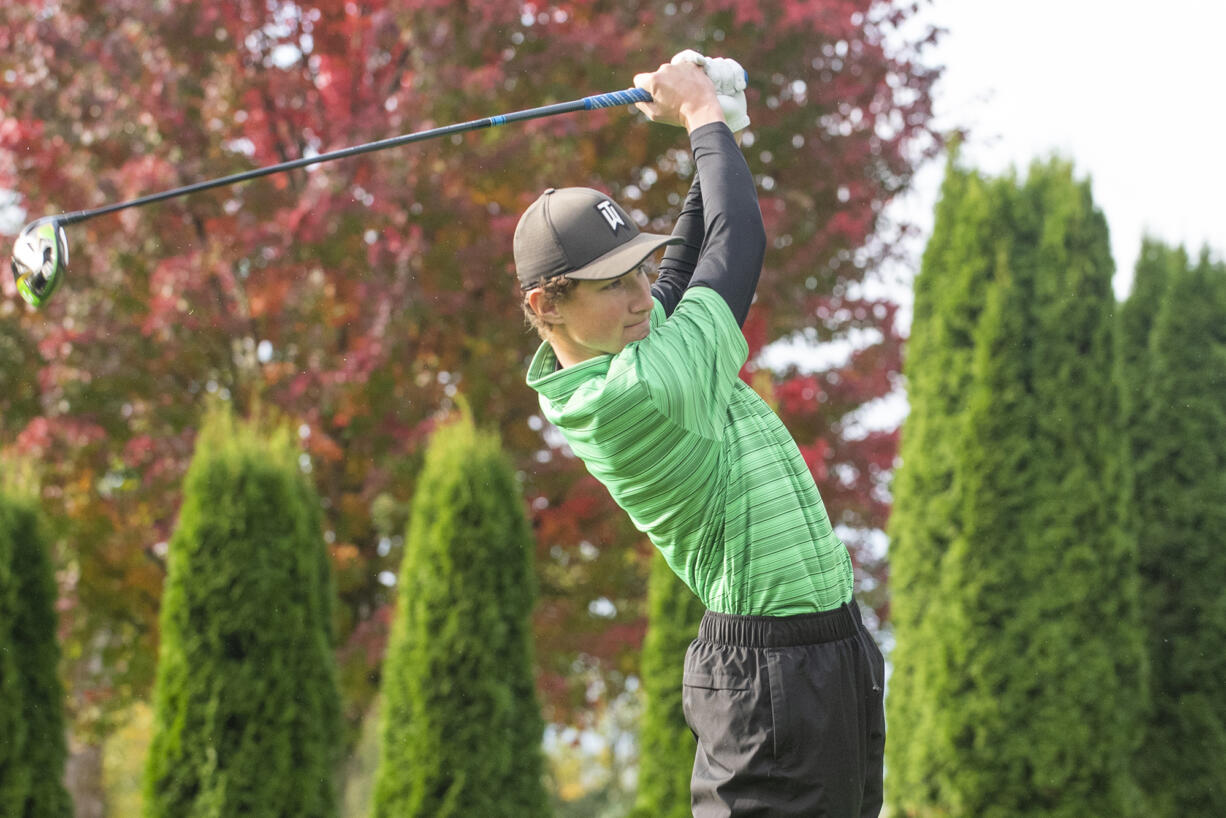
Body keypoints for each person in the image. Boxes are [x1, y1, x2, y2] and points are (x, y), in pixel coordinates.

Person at [514, 60, 885, 817]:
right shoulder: (637, 393)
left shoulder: (632, 344)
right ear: (546, 306)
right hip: (768, 677)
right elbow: (736, 247)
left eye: (637, 271)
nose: (641, 294)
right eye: (613, 283)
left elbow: (683, 263)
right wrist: (702, 118)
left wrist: (722, 132)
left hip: (829, 648)